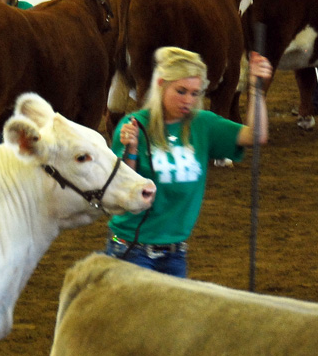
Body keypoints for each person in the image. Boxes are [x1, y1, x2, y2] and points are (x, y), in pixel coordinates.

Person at [105, 46, 271, 277]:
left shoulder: (203, 124)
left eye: (195, 93)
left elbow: (256, 135)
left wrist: (256, 88)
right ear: (161, 85)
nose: (188, 100)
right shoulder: (134, 126)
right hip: (131, 248)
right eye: (181, 91)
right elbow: (122, 189)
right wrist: (131, 149)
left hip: (175, 252)